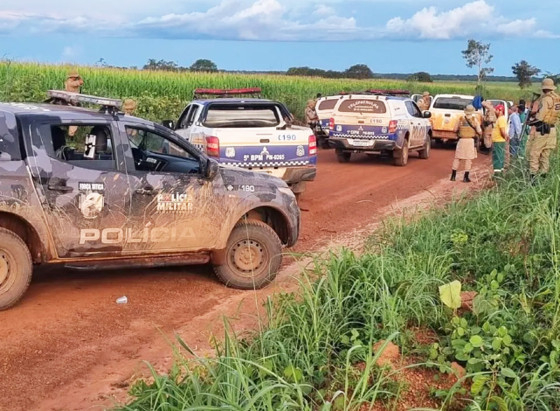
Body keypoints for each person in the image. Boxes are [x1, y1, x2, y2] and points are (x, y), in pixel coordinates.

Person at [528, 78, 560, 178]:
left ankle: (532, 179)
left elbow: (540, 117)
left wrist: (531, 122)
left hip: (543, 130)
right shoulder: (557, 99)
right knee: (545, 155)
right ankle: (543, 178)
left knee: (534, 153)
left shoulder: (546, 99)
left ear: (544, 88)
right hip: (552, 130)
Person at [450, 104, 481, 183]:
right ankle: (465, 177)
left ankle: (453, 176)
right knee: (468, 159)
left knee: (457, 158)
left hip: (461, 140)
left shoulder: (460, 119)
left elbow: (454, 129)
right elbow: (479, 131)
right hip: (470, 141)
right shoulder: (474, 120)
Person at [491, 104, 509, 173]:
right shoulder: (500, 119)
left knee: (497, 157)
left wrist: (505, 137)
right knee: (500, 156)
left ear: (500, 110)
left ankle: (497, 174)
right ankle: (500, 172)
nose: (495, 111)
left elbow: (502, 130)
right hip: (499, 140)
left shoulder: (501, 119)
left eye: (497, 110)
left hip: (499, 141)